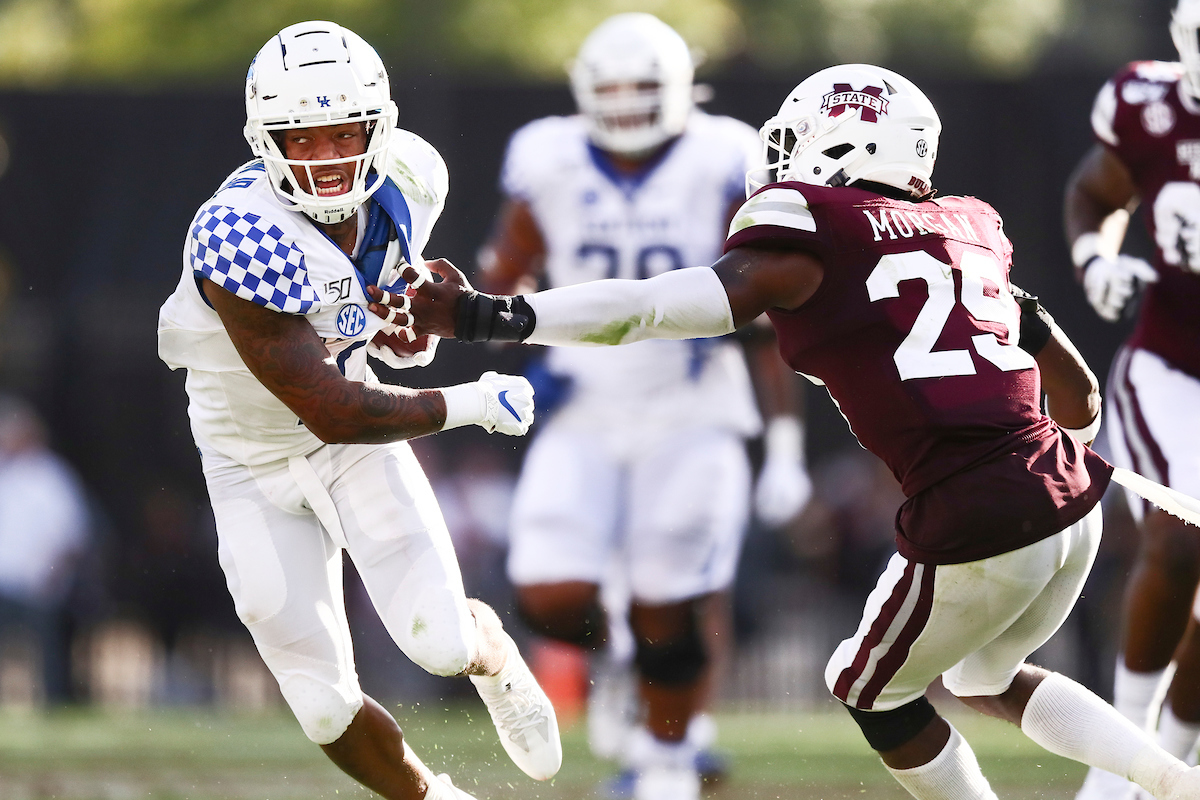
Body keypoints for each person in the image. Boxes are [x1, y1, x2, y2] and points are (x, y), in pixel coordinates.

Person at [392, 63, 1200, 800]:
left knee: (863, 685)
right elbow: (1083, 399)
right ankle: (1166, 776)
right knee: (987, 674)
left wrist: (488, 313)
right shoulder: (970, 229)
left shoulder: (811, 225)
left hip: (975, 505)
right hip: (1069, 496)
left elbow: (648, 309)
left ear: (841, 144)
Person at [156, 21, 561, 800]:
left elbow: (382, 292)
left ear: (381, 127)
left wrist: (401, 319)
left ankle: (495, 657)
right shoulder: (240, 236)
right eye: (301, 139)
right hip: (251, 455)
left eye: (345, 132)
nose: (327, 156)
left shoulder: (412, 178)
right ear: (262, 141)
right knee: (318, 700)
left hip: (349, 445)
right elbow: (331, 405)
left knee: (440, 644)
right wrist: (467, 401)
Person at [473, 13, 810, 799]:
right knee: (546, 593)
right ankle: (627, 657)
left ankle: (667, 763)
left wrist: (786, 443)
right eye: (611, 87)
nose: (625, 103)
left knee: (676, 594)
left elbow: (769, 314)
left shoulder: (727, 155)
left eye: (642, 86)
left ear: (683, 86)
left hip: (692, 404)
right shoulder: (546, 154)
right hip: (583, 401)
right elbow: (509, 264)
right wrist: (498, 305)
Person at [1065, 1, 1200, 797]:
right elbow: (1095, 190)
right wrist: (1093, 259)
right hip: (1173, 368)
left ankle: (1168, 767)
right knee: (1180, 539)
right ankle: (1115, 764)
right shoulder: (1147, 105)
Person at [0, 395, 90, 706]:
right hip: (4, 586)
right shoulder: (5, 476)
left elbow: (71, 536)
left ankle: (54, 704)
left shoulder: (51, 476)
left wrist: (51, 579)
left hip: (37, 588)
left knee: (47, 648)